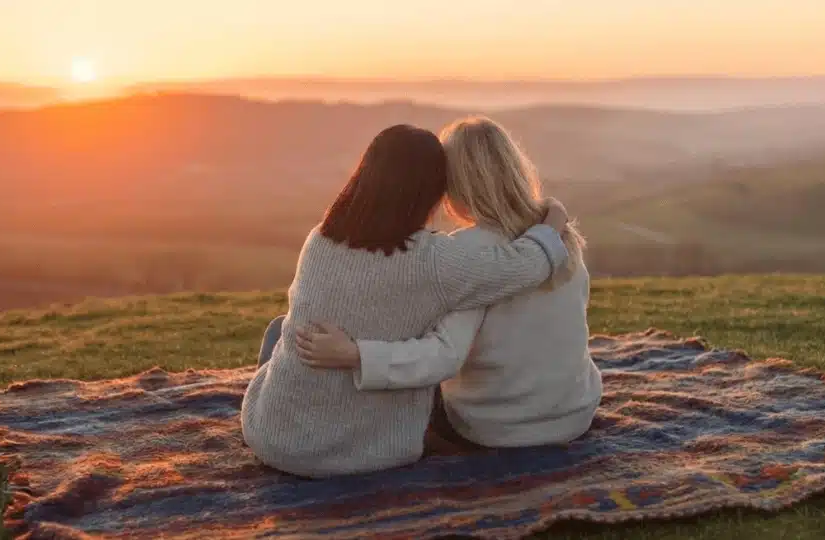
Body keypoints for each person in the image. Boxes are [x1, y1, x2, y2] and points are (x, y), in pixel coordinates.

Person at [240, 123, 573, 477]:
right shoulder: (435, 262)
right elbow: (531, 264)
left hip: (271, 438)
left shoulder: (319, 240)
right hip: (364, 454)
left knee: (281, 330)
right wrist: (554, 217)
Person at [296, 117, 602, 449]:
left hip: (498, 428)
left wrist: (356, 355)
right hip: (575, 413)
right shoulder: (562, 238)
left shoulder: (465, 252)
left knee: (414, 382)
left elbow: (442, 357)